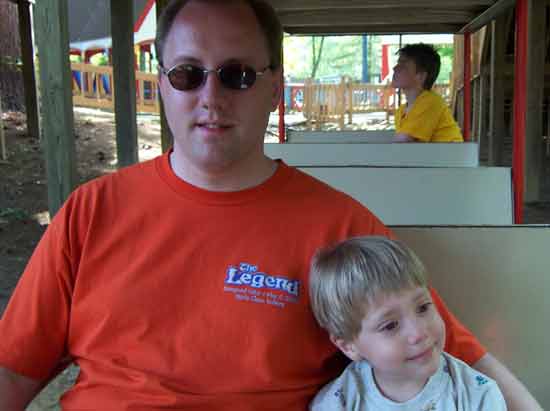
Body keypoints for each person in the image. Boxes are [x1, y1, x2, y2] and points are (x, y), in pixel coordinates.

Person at [0, 1, 542, 410]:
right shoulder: (90, 212)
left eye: (237, 75)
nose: (210, 97)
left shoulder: (339, 226)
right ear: (163, 85)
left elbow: (456, 355)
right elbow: (13, 370)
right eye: (188, 74)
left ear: (275, 87)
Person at [309, 236, 507, 410]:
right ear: (349, 346)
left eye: (423, 308)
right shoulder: (336, 403)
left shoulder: (479, 396)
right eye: (390, 325)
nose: (419, 332)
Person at [392, 43, 463, 143]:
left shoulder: (430, 102)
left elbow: (402, 143)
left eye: (403, 65)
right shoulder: (401, 111)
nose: (394, 68)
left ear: (421, 76)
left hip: (450, 158)